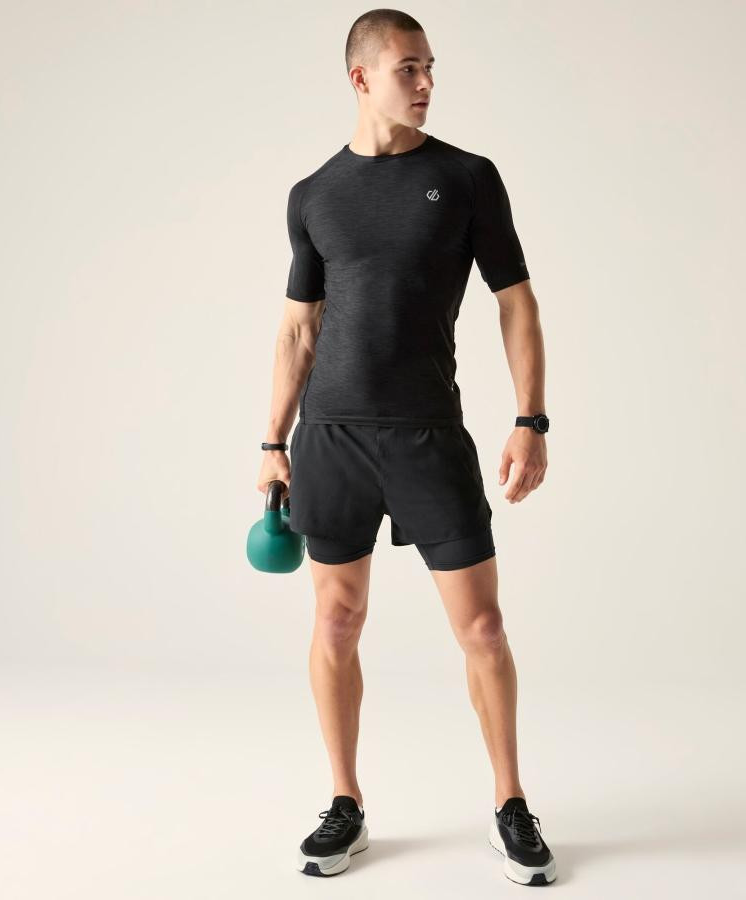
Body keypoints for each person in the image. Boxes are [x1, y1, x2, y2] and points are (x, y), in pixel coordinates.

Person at [256, 9, 554, 885]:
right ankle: (345, 803)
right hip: (331, 437)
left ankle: (510, 803)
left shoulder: (466, 178)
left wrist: (531, 419)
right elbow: (298, 329)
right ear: (361, 79)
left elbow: (516, 302)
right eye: (408, 69)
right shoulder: (313, 194)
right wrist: (272, 440)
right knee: (335, 620)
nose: (426, 83)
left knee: (483, 627)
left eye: (430, 68)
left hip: (428, 433)